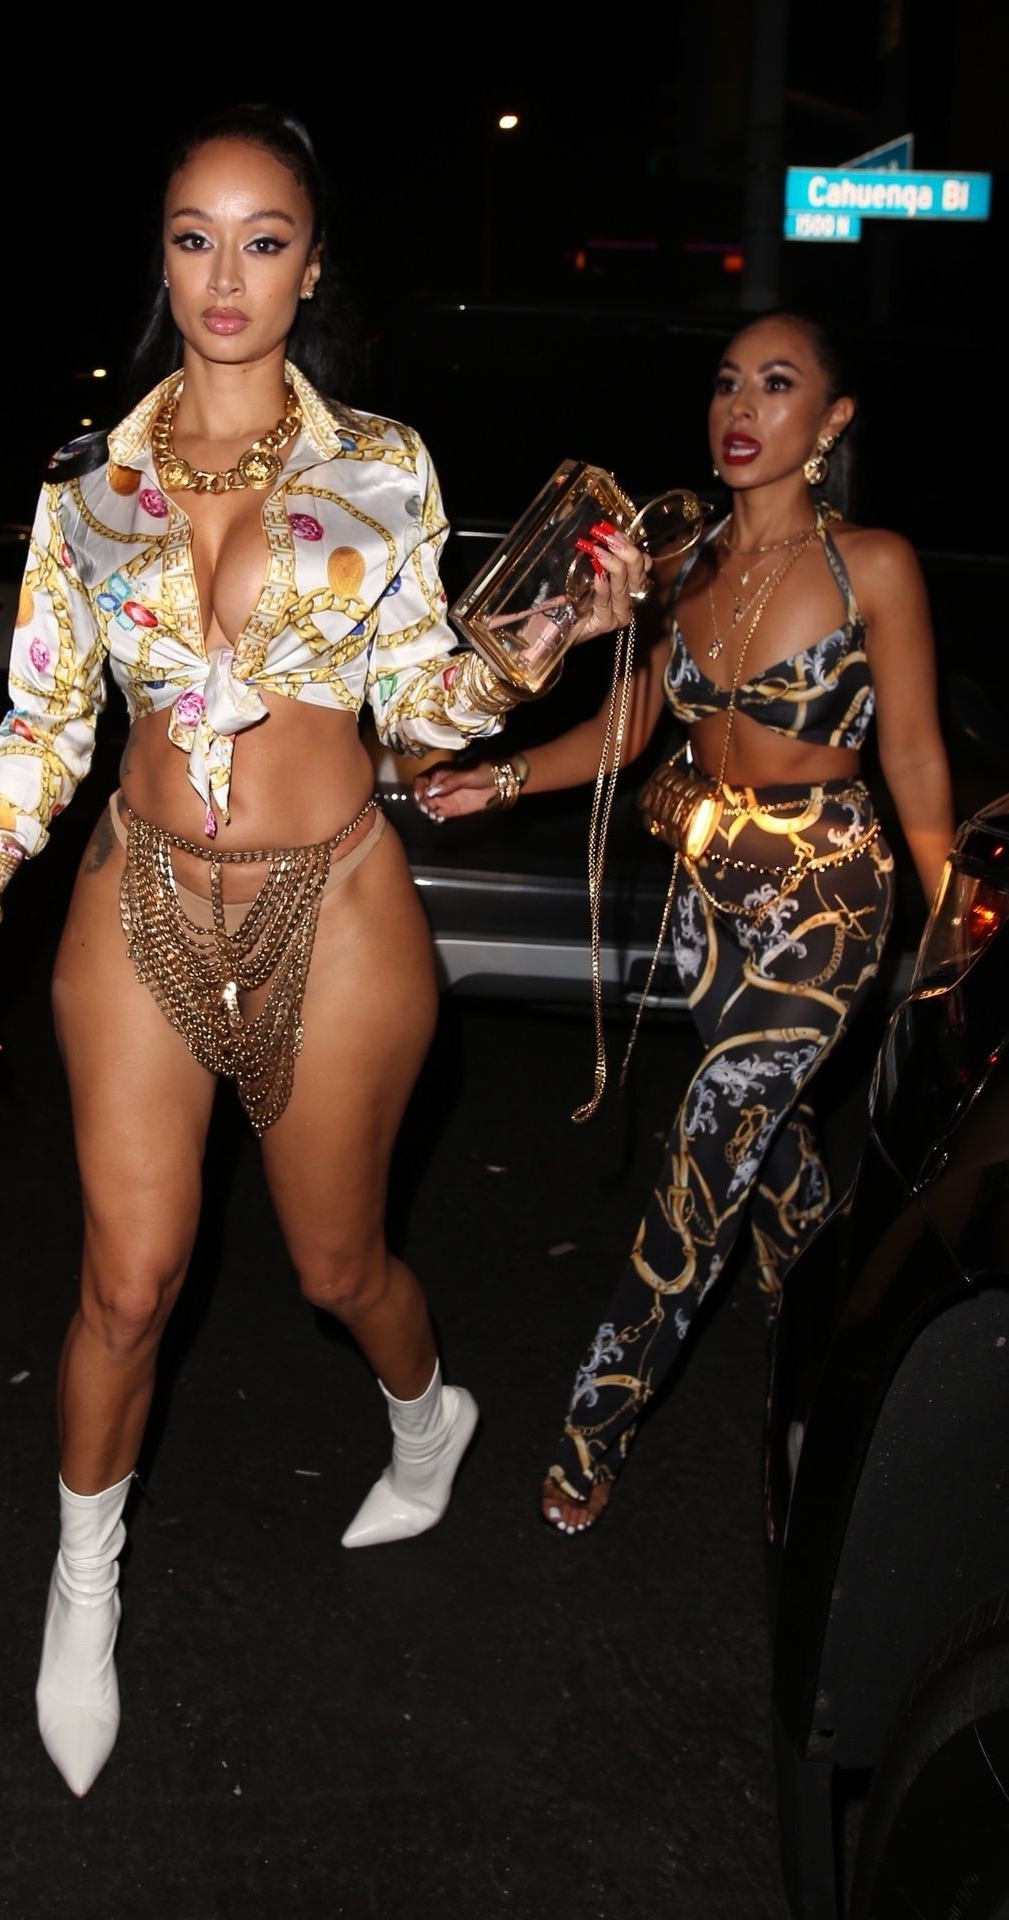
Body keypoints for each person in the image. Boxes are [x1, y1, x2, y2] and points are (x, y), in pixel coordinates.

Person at [0, 104, 649, 1794]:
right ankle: (83, 1591)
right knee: (127, 1282)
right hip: (135, 901)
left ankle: (430, 1416)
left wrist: (543, 641)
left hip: (333, 909)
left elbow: (419, 709)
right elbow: (44, 725)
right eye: (195, 238)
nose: (227, 275)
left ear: (312, 267)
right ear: (162, 258)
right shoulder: (88, 485)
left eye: (263, 240)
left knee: (335, 1270)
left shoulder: (386, 465)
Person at [414, 310, 953, 1538]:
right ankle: (826, 1328)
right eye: (725, 383)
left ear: (831, 420)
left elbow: (915, 757)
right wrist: (499, 777)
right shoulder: (682, 562)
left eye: (776, 384)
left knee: (704, 1147)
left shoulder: (872, 564)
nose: (740, 408)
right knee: (766, 1148)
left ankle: (592, 1425)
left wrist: (951, 931)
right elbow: (629, 728)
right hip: (709, 895)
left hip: (826, 900)